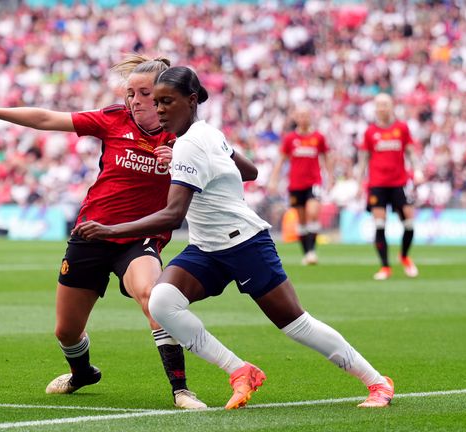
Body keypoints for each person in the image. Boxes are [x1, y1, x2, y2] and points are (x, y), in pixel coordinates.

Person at [74, 66, 395, 410]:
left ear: (191, 100)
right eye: (158, 101)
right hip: (207, 248)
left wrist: (110, 230)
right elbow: (251, 172)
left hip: (244, 244)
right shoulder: (205, 134)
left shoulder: (189, 145)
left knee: (296, 324)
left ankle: (377, 383)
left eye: (167, 101)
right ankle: (239, 370)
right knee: (162, 303)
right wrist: (208, 164)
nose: (160, 109)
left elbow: (173, 215)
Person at [0, 54, 205, 409]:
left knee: (152, 296)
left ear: (164, 94)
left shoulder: (186, 137)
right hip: (92, 233)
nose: (134, 100)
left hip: (137, 237)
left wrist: (179, 162)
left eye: (143, 93)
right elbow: (46, 118)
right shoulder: (113, 119)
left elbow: (220, 173)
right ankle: (82, 372)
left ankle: (181, 390)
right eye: (130, 92)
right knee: (66, 331)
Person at [356, 93, 421, 280]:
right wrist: (359, 181)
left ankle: (405, 256)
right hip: (377, 184)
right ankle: (385, 267)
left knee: (409, 222)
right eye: (379, 105)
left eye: (385, 104)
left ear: (392, 106)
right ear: (375, 108)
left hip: (399, 182)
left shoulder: (401, 128)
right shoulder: (370, 132)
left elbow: (410, 151)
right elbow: (364, 158)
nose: (382, 108)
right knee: (379, 224)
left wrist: (417, 169)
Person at [267, 105, 330, 265]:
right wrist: (274, 179)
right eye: (300, 116)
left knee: (313, 213)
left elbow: (326, 157)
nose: (303, 119)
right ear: (296, 118)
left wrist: (330, 176)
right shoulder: (290, 139)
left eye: (305, 115)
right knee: (301, 220)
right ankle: (307, 253)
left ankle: (312, 251)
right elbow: (281, 160)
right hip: (295, 184)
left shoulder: (318, 137)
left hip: (314, 182)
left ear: (310, 117)